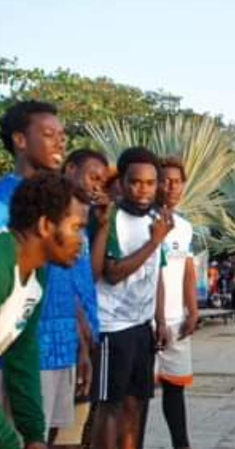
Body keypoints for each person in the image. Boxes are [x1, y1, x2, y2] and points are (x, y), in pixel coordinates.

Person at [89, 147, 173, 449]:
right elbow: (112, 273)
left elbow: (156, 273)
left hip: (141, 327)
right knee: (109, 406)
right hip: (112, 328)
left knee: (137, 405)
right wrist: (154, 241)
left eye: (150, 183)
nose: (143, 189)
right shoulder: (109, 218)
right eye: (135, 182)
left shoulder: (157, 218)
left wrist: (159, 320)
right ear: (122, 182)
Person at [0, 173, 89, 449]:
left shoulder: (36, 277)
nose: (81, 240)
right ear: (44, 225)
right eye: (76, 228)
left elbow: (22, 357)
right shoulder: (2, 262)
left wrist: (34, 436)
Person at [42, 149, 109, 449]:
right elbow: (58, 284)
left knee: (72, 434)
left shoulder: (83, 219)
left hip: (78, 340)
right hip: (53, 341)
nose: (97, 186)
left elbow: (87, 277)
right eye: (93, 177)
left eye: (102, 181)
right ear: (70, 169)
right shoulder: (53, 214)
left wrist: (102, 226)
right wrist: (80, 335)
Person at [156, 157, 198, 449]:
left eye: (177, 181)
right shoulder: (143, 222)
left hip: (176, 320)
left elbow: (187, 270)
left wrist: (192, 310)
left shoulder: (184, 227)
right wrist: (157, 318)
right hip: (145, 321)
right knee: (135, 395)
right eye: (165, 180)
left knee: (175, 387)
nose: (171, 187)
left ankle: (181, 445)